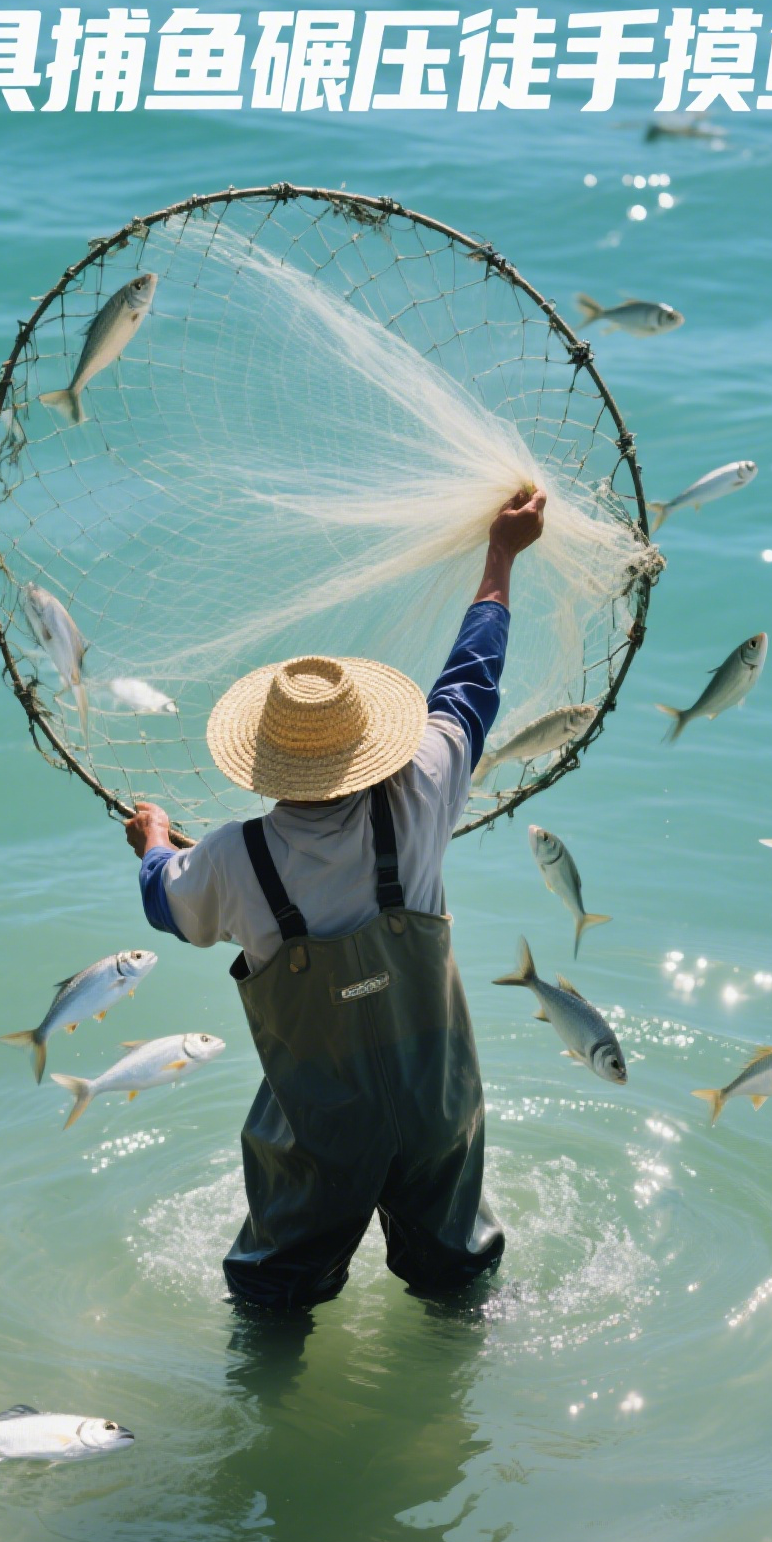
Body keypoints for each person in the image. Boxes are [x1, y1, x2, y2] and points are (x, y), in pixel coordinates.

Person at [125, 484, 547, 1311]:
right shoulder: (425, 783)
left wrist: (150, 837)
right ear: (366, 741)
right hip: (437, 1101)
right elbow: (473, 679)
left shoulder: (228, 859)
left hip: (319, 1130)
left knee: (273, 1293)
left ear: (265, 762)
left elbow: (162, 907)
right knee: (457, 1277)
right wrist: (501, 555)